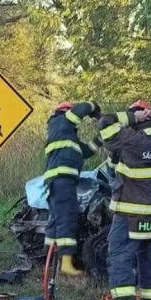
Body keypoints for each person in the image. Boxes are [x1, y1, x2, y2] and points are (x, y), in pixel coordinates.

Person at [98, 101, 151, 300]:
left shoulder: (131, 139)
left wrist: (134, 118)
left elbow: (106, 123)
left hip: (130, 212)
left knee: (120, 255)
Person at [43, 100, 102, 276]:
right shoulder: (60, 122)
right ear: (65, 112)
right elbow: (81, 109)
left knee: (56, 222)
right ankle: (66, 265)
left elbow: (87, 151)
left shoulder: (66, 135)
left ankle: (50, 262)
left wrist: (103, 137)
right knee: (67, 219)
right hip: (62, 180)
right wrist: (95, 108)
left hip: (56, 181)